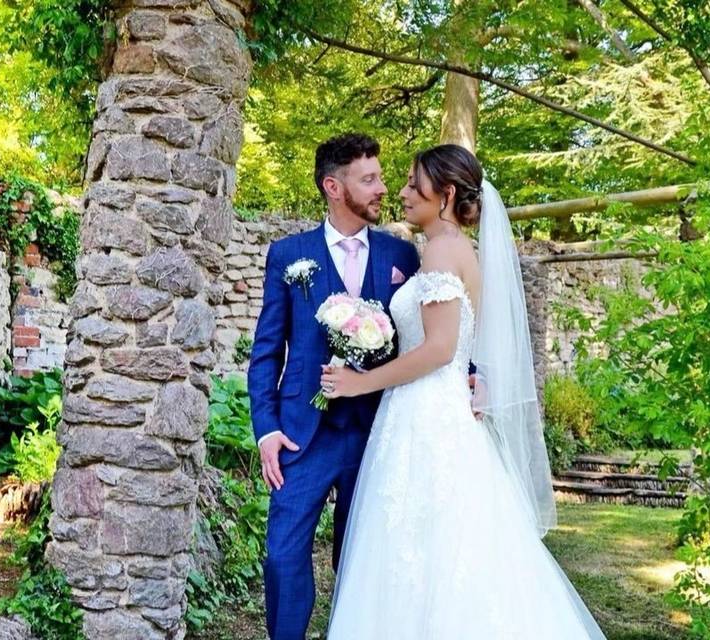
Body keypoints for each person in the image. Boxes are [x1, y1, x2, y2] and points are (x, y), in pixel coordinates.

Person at [320, 144, 607, 639]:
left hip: (426, 417)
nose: (403, 193)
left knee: (423, 549)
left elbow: (438, 349)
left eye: (414, 184)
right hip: (431, 409)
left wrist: (358, 383)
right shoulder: (451, 249)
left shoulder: (443, 248)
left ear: (446, 193)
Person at [247, 133, 420, 640]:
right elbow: (266, 353)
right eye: (369, 179)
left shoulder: (402, 255)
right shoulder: (288, 255)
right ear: (333, 186)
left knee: (364, 561)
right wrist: (266, 430)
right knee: (282, 556)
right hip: (302, 435)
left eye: (381, 177)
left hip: (376, 434)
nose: (382, 189)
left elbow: (429, 328)